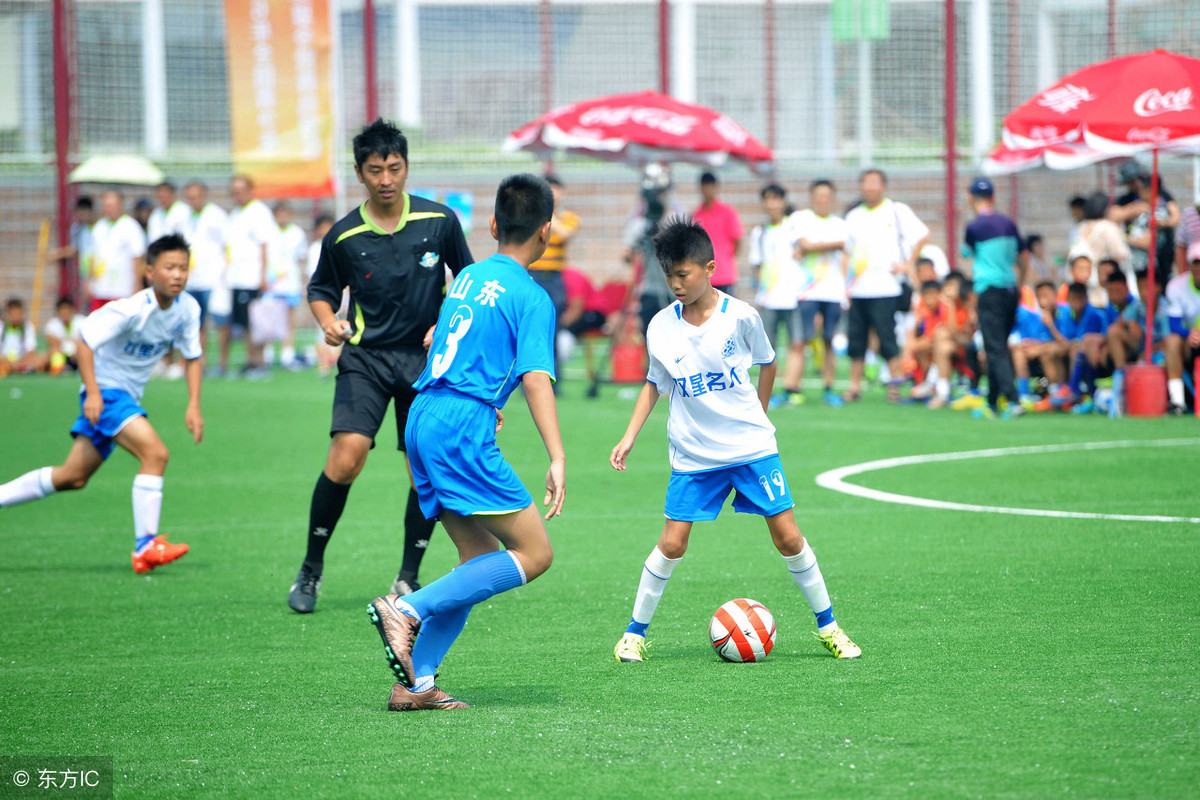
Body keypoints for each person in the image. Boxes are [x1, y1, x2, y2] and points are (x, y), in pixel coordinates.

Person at [608, 216, 860, 665]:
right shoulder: (661, 326)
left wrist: (758, 417)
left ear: (710, 267)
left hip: (751, 449)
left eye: (683, 275)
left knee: (787, 537)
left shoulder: (742, 316)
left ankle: (830, 626)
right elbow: (654, 383)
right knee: (672, 543)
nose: (676, 285)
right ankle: (634, 633)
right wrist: (629, 436)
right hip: (693, 453)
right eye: (669, 277)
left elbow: (768, 362)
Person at [367, 173, 564, 711]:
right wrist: (557, 455)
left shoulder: (470, 276)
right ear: (546, 231)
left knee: (477, 555)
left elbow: (449, 342)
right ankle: (406, 609)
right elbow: (536, 378)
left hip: (424, 411)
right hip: (458, 425)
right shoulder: (531, 296)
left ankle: (417, 685)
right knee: (536, 552)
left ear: (495, 224)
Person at [289, 118, 474, 614]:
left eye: (394, 167)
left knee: (423, 472)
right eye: (376, 170)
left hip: (426, 362)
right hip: (366, 359)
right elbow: (321, 290)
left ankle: (408, 577)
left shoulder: (439, 221)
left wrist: (449, 320)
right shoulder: (345, 234)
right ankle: (311, 569)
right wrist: (328, 322)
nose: (386, 178)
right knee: (346, 457)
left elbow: (468, 280)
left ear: (407, 167)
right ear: (360, 173)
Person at [0, 234, 202, 573]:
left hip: (124, 398)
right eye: (170, 267)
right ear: (149, 272)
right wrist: (93, 392)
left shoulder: (188, 310)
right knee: (156, 454)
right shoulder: (131, 309)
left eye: (183, 268)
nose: (178, 275)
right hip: (107, 394)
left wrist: (193, 404)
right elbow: (85, 343)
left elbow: (193, 356)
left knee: (72, 477)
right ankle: (145, 548)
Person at [843, 168, 930, 402]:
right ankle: (854, 387)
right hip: (858, 289)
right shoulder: (853, 216)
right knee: (857, 339)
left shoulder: (896, 210)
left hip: (886, 287)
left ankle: (895, 385)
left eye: (875, 182)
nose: (871, 187)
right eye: (866, 182)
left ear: (883, 186)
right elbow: (846, 252)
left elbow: (922, 235)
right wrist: (845, 286)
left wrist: (907, 264)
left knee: (887, 338)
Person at [962, 178, 1028, 418]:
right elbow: (1024, 255)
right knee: (999, 345)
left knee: (995, 347)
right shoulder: (1008, 223)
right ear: (993, 197)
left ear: (970, 198)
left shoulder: (974, 228)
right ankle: (992, 401)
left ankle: (1012, 399)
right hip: (1010, 290)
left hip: (988, 291)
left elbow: (966, 253)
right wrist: (1019, 284)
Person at [747, 184, 805, 407]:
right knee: (767, 348)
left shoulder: (794, 227)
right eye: (768, 199)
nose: (772, 204)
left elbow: (805, 249)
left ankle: (792, 388)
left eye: (776, 199)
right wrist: (760, 292)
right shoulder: (759, 232)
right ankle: (766, 393)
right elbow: (757, 265)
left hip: (794, 295)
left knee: (797, 343)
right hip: (769, 298)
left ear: (783, 201)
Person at [794, 179, 850, 406]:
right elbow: (804, 245)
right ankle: (794, 388)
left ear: (833, 198)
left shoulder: (840, 224)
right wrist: (832, 244)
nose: (822, 200)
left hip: (832, 292)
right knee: (802, 341)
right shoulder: (802, 219)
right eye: (818, 196)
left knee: (829, 340)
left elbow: (842, 250)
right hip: (807, 292)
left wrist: (815, 246)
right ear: (812, 197)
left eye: (827, 196)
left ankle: (829, 387)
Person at [220, 174, 276, 377]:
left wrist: (263, 275)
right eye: (234, 191)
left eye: (241, 190)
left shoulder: (259, 212)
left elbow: (264, 245)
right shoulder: (234, 214)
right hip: (237, 277)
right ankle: (250, 360)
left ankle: (260, 362)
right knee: (243, 323)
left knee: (256, 322)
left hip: (252, 277)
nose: (237, 195)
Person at [526, 175, 580, 384]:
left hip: (554, 279)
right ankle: (527, 380)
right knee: (530, 329)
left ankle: (552, 379)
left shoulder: (568, 217)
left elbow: (565, 233)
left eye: (555, 189)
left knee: (554, 329)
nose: (552, 193)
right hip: (533, 276)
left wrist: (545, 211)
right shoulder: (531, 217)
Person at [1109, 270, 1170, 417]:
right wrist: (1131, 322)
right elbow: (1119, 322)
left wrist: (1149, 352)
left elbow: (1168, 340)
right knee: (1114, 331)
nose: (1144, 292)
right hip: (1139, 347)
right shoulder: (1137, 305)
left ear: (1158, 288)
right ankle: (1120, 381)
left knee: (1164, 359)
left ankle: (1167, 402)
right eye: (1140, 287)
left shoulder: (1165, 308)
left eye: (1147, 287)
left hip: (1159, 353)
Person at [180, 180, 228, 355]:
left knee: (221, 321)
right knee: (197, 323)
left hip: (213, 278)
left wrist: (224, 274)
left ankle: (223, 363)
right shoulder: (185, 217)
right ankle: (201, 361)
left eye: (196, 196)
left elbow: (227, 245)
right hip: (193, 280)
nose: (193, 200)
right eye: (190, 197)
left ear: (204, 196)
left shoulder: (216, 215)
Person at [87, 190, 147, 314]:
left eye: (112, 205)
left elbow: (138, 258)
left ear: (120, 205)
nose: (109, 209)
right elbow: (93, 256)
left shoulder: (130, 226)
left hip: (122, 289)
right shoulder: (99, 227)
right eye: (106, 205)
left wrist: (137, 284)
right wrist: (89, 281)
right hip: (100, 288)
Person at [692, 172, 744, 295]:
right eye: (704, 186)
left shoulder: (727, 212)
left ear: (716, 187)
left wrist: (726, 258)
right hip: (705, 277)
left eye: (710, 186)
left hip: (725, 275)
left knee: (728, 313)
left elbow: (737, 240)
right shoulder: (697, 214)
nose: (707, 190)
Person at [1164, 242, 1200, 415]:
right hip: (1189, 342)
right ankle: (1177, 401)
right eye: (1196, 263)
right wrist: (1190, 334)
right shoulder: (1176, 286)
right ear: (1190, 265)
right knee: (1171, 342)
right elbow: (1174, 325)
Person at [1, 298, 47, 376]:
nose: (15, 317)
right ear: (8, 314)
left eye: (18, 314)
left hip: (22, 361)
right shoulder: (1, 327)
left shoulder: (27, 327)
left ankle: (19, 369)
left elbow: (30, 352)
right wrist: (9, 362)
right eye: (13, 314)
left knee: (40, 359)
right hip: (4, 360)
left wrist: (20, 363)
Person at [44, 296, 86, 375]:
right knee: (53, 351)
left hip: (77, 354)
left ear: (72, 310)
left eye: (67, 309)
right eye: (62, 310)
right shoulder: (52, 324)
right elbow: (53, 342)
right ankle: (59, 369)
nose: (65, 313)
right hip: (61, 353)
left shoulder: (82, 321)